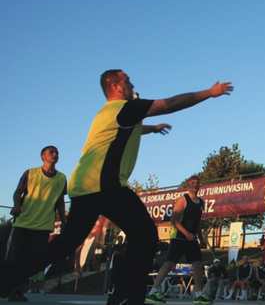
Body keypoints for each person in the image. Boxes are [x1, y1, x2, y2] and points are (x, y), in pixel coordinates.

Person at [0, 69, 233, 305]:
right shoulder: (125, 107)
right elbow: (169, 104)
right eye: (128, 81)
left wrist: (152, 129)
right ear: (116, 86)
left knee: (64, 245)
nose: (132, 84)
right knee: (145, 236)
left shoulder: (108, 113)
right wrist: (209, 92)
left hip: (84, 185)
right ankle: (126, 296)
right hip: (104, 185)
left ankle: (6, 279)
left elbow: (134, 129)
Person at [6, 146, 67, 302]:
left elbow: (60, 201)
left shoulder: (62, 178)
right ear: (43, 156)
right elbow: (17, 191)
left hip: (43, 226)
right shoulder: (30, 173)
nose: (55, 154)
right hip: (23, 223)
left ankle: (19, 289)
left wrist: (64, 220)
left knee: (33, 261)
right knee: (15, 258)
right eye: (51, 152)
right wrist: (17, 205)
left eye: (57, 153)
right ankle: (12, 289)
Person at [146, 176, 211, 305]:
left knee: (198, 265)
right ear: (188, 185)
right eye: (192, 183)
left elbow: (197, 223)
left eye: (197, 183)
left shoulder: (201, 203)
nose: (195, 185)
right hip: (179, 237)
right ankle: (153, 292)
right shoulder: (183, 200)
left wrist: (201, 238)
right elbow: (174, 221)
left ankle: (198, 295)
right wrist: (186, 233)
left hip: (191, 239)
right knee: (169, 264)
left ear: (199, 186)